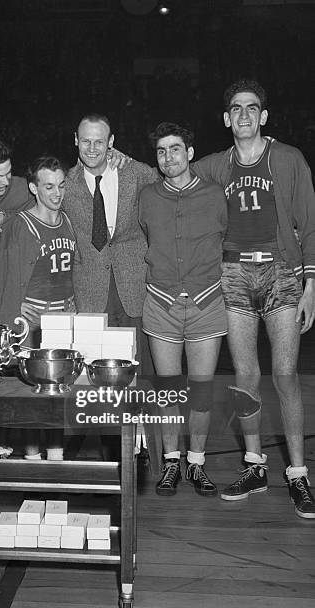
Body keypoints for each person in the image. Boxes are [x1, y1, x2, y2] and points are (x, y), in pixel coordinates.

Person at [191, 79, 315, 518]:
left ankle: (298, 474)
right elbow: (171, 176)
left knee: (284, 374)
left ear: (263, 116)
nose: (244, 115)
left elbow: (310, 221)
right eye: (236, 109)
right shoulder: (213, 166)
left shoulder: (287, 158)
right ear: (226, 119)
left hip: (282, 273)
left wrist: (311, 285)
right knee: (245, 375)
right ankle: (255, 465)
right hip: (233, 274)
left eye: (252, 108)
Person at [139, 122, 228, 497]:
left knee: (202, 392)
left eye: (175, 149)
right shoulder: (146, 196)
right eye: (161, 151)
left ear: (190, 153)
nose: (168, 157)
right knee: (169, 391)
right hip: (161, 303)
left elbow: (227, 238)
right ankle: (172, 462)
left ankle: (197, 463)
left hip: (207, 302)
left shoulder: (214, 194)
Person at [62, 113, 158, 460]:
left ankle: (138, 446)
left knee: (134, 370)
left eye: (99, 141)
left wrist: (129, 158)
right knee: (93, 374)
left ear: (111, 142)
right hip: (88, 291)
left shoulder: (134, 173)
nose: (91, 148)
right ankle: (105, 450)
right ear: (75, 140)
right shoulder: (65, 183)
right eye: (85, 140)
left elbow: (170, 174)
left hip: (133, 287)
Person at [0, 156, 77, 459]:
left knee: (57, 396)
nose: (56, 193)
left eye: (61, 186)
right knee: (32, 396)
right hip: (32, 322)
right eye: (48, 187)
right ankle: (33, 459)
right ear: (33, 188)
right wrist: (14, 305)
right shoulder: (21, 224)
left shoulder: (68, 220)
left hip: (64, 317)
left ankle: (56, 460)